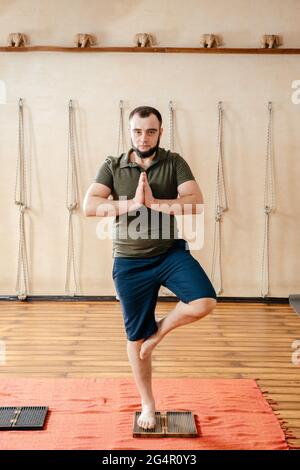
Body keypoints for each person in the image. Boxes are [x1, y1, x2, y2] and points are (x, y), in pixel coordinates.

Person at [83, 106, 217, 430]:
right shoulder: (112, 165)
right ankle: (147, 404)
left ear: (160, 132)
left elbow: (196, 201)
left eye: (151, 131)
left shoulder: (173, 162)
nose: (144, 138)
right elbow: (89, 206)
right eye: (138, 131)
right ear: (129, 132)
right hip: (129, 261)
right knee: (134, 337)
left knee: (204, 301)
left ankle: (157, 334)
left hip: (169, 253)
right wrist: (133, 204)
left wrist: (156, 204)